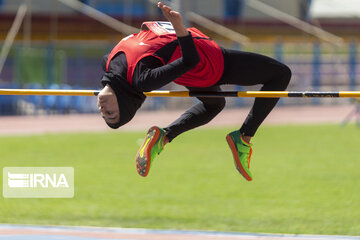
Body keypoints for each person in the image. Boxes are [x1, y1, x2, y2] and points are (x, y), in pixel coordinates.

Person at [97, 2, 291, 181]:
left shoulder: (108, 64)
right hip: (209, 62)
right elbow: (191, 61)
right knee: (281, 74)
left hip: (196, 64)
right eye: (111, 114)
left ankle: (163, 137)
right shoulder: (143, 81)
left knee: (214, 105)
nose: (102, 110)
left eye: (106, 114)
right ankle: (244, 137)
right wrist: (179, 26)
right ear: (124, 101)